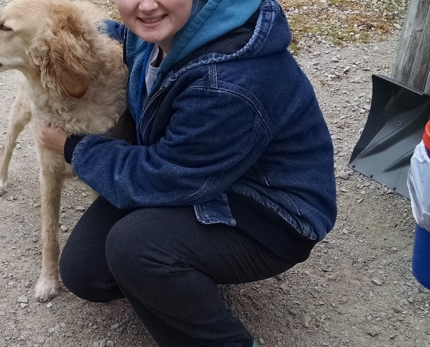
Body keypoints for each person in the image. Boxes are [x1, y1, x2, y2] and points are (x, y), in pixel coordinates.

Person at [34, 0, 337, 345]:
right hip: (204, 175)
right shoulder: (159, 33)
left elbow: (163, 179)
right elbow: (117, 36)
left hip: (274, 212)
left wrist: (74, 147)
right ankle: (185, 273)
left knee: (133, 249)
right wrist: (54, 33)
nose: (146, 5)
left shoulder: (226, 81)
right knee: (85, 272)